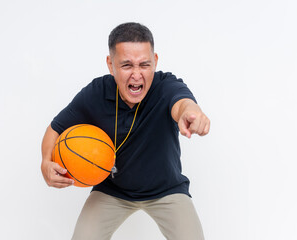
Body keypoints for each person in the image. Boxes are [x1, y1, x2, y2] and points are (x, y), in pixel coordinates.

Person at [41, 22, 210, 240]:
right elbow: (55, 129)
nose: (137, 75)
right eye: (127, 65)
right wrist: (46, 161)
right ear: (110, 64)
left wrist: (192, 113)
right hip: (112, 190)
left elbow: (183, 104)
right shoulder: (96, 93)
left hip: (167, 190)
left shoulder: (166, 86)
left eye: (144, 65)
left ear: (155, 61)